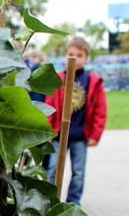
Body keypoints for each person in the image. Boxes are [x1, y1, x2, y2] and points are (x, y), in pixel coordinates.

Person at [45, 37, 107, 206]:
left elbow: (100, 110)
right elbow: (49, 105)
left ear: (86, 57)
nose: (74, 58)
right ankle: (50, 202)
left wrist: (95, 134)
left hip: (80, 135)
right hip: (58, 135)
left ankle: (73, 203)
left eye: (79, 55)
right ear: (65, 55)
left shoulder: (92, 81)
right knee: (52, 170)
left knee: (78, 172)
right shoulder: (57, 79)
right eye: (71, 54)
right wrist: (48, 130)